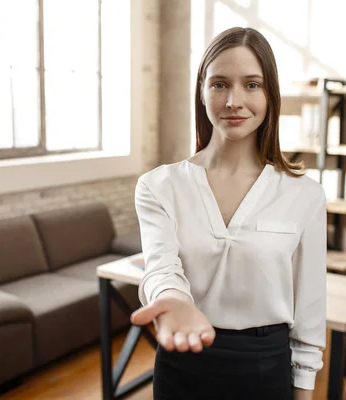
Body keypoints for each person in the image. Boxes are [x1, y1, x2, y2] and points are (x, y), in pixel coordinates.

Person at [130, 27, 327, 400]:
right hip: (182, 366)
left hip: (265, 369)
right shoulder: (158, 186)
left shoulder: (305, 194)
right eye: (220, 84)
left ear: (270, 95)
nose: (234, 100)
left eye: (252, 85)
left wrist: (303, 392)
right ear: (202, 91)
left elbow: (310, 313)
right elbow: (161, 268)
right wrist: (172, 299)